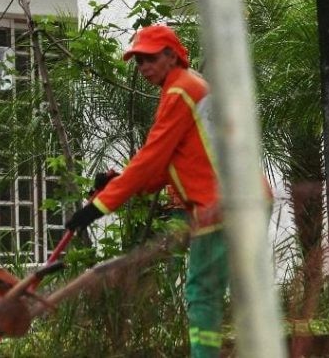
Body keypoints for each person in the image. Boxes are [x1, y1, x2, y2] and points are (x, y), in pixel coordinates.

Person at [64, 24, 228, 358]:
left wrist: (98, 207)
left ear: (171, 55)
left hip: (219, 206)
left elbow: (152, 157)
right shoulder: (191, 85)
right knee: (224, 293)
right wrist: (117, 183)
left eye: (149, 58)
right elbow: (167, 166)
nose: (143, 68)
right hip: (234, 202)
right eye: (138, 62)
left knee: (200, 293)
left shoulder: (180, 91)